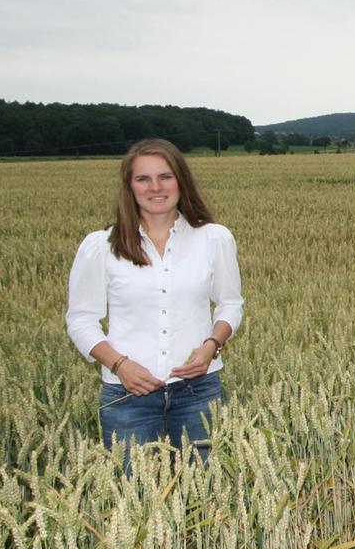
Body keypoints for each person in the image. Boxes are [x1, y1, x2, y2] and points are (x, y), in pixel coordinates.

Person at [66, 139, 244, 463]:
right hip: (126, 394)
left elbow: (230, 304)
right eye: (143, 179)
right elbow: (80, 319)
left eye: (165, 176)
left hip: (198, 393)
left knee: (205, 497)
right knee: (133, 498)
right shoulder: (101, 246)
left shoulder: (214, 239)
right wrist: (120, 365)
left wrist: (211, 346)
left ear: (181, 181)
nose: (155, 188)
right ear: (129, 187)